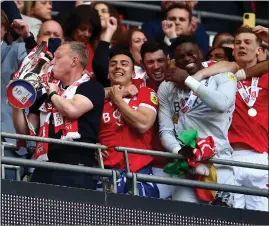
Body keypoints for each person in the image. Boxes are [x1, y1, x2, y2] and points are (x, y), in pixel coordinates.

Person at [12, 41, 105, 189]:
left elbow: (72, 110)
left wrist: (53, 93)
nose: (52, 62)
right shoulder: (45, 95)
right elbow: (24, 131)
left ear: (74, 61)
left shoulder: (92, 87)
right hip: (44, 167)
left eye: (57, 57)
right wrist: (17, 102)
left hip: (77, 169)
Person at [158, 35, 237, 205]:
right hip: (185, 167)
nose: (187, 58)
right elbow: (165, 131)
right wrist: (179, 152)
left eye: (191, 53)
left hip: (219, 163)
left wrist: (187, 80)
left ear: (201, 53)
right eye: (181, 56)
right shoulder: (166, 86)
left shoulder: (221, 75)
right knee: (184, 219)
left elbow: (222, 104)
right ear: (173, 60)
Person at [98, 49, 159, 198]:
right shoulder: (97, 97)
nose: (118, 67)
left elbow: (143, 124)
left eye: (124, 64)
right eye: (113, 64)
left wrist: (117, 99)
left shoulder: (145, 92)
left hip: (139, 172)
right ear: (107, 73)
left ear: (133, 74)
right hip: (105, 172)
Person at [228, 26, 268, 212]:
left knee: (260, 220)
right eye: (238, 43)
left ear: (259, 50)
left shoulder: (267, 77)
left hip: (259, 157)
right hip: (227, 157)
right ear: (233, 50)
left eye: (247, 42)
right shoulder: (222, 76)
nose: (242, 46)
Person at [1, 9, 27, 179]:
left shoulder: (17, 50)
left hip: (7, 143)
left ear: (3, 28)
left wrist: (27, 36)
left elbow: (39, 67)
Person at [142, 1, 209, 58]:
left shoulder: (196, 41)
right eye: (172, 19)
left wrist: (174, 39)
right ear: (165, 21)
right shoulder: (156, 39)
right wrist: (172, 38)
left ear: (189, 24)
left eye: (182, 19)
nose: (177, 22)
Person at [63, 5, 102, 73]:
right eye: (83, 29)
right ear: (73, 27)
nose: (87, 34)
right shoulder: (61, 45)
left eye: (90, 30)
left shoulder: (94, 49)